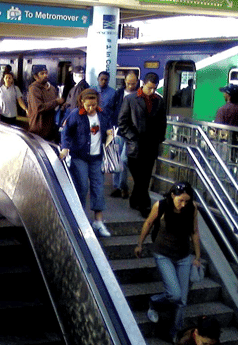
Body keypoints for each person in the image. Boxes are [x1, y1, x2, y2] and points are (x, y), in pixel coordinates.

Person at [134, 182, 202, 342]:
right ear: (173, 195)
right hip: (163, 254)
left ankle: (174, 332)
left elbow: (194, 232)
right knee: (175, 294)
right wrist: (139, 244)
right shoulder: (161, 206)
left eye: (186, 200)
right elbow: (148, 223)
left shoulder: (192, 209)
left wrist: (197, 256)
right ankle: (154, 302)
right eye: (181, 200)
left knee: (182, 300)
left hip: (184, 255)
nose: (183, 204)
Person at [60, 89, 114, 237]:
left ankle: (98, 221)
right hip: (80, 157)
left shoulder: (102, 114)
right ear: (82, 103)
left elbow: (109, 128)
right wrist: (65, 149)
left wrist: (110, 134)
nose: (91, 108)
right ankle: (81, 219)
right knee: (82, 186)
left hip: (97, 157)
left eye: (94, 105)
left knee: (98, 187)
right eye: (88, 105)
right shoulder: (76, 115)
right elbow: (66, 133)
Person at [118, 72, 167, 217]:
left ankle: (137, 201)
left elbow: (162, 122)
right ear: (143, 84)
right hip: (135, 146)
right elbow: (122, 122)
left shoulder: (159, 101)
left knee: (145, 177)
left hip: (151, 145)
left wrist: (159, 138)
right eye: (149, 88)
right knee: (140, 177)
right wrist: (132, 137)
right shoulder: (130, 99)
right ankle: (145, 205)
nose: (152, 91)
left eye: (154, 88)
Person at [110, 72, 139, 199]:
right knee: (115, 161)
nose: (130, 85)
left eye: (133, 83)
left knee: (123, 160)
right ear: (125, 81)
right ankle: (117, 187)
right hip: (117, 131)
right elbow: (110, 109)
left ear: (137, 82)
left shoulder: (140, 95)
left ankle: (123, 187)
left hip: (131, 134)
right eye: (128, 83)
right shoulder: (118, 93)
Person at [27, 65, 65, 141]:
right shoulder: (34, 89)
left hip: (50, 129)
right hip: (38, 129)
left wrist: (62, 105)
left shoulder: (52, 89)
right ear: (35, 76)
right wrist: (56, 102)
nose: (45, 75)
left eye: (46, 73)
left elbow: (55, 105)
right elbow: (38, 108)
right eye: (42, 73)